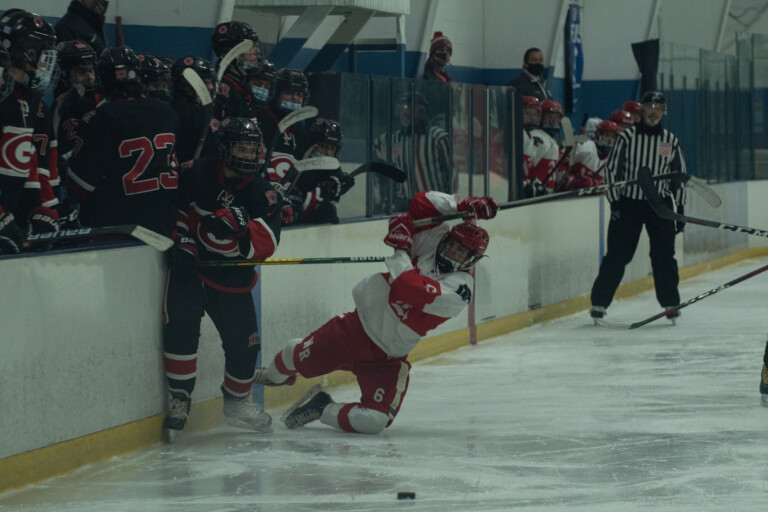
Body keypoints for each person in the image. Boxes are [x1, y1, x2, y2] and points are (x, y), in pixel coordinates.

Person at [252, 191, 499, 433]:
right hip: (354, 331)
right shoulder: (434, 240)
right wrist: (458, 205)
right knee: (297, 356)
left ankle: (322, 408)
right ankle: (274, 375)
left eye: (462, 252)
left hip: (387, 357)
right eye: (453, 245)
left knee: (374, 420)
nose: (453, 252)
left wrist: (401, 250)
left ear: (472, 260)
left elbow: (411, 291)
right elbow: (420, 205)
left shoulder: (461, 287)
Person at [162, 116, 282, 440]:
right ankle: (180, 399)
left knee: (246, 346)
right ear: (223, 149)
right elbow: (171, 208)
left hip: (231, 279)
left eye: (252, 148)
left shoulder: (262, 191)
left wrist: (241, 224)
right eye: (241, 147)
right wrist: (183, 241)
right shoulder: (195, 172)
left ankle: (236, 403)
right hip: (190, 272)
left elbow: (269, 241)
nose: (248, 155)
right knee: (181, 331)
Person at [590, 91, 687, 322]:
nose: (654, 110)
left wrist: (680, 207)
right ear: (641, 110)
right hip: (629, 204)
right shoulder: (627, 137)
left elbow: (677, 176)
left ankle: (671, 304)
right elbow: (612, 171)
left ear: (664, 112)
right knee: (617, 256)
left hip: (660, 207)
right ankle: (599, 303)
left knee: (664, 257)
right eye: (649, 106)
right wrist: (615, 202)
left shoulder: (670, 141)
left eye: (658, 107)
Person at [67, 46, 180, 238]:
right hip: (164, 224)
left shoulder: (101, 117)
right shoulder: (167, 112)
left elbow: (79, 188)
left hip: (118, 228)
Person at [0, 9, 61, 254]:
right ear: (28, 51)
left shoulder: (25, 103)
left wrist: (43, 210)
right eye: (43, 53)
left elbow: (29, 159)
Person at [53, 39, 101, 229]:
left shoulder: (100, 99)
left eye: (91, 71)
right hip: (76, 185)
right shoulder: (62, 106)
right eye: (82, 72)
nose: (89, 78)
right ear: (65, 73)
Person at [285, 118, 355, 224]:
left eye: (332, 148)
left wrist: (328, 209)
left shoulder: (335, 168)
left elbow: (331, 205)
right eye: (323, 146)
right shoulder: (296, 162)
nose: (327, 152)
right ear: (312, 143)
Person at [210, 21, 262, 122]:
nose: (257, 51)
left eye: (256, 45)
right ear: (230, 51)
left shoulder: (242, 84)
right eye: (249, 46)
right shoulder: (222, 87)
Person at [170, 55, 215, 165]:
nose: (211, 87)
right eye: (205, 83)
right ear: (185, 86)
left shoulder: (171, 108)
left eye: (210, 82)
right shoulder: (192, 113)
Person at [560, 120, 619, 190]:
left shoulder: (612, 161)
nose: (610, 140)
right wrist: (571, 181)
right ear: (598, 135)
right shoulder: (584, 146)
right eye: (606, 135)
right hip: (566, 196)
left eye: (613, 137)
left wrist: (593, 184)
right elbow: (559, 165)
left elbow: (608, 188)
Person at [521, 96, 558, 197]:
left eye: (536, 114)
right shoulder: (515, 134)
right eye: (528, 113)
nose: (533, 118)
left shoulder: (530, 137)